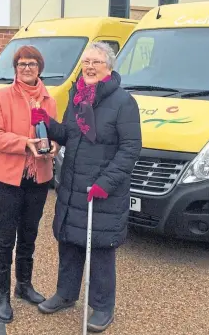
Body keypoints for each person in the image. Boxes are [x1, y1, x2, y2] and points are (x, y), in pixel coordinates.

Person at [31, 42, 142, 332]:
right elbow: (69, 134)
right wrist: (47, 124)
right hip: (73, 185)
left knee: (100, 250)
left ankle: (102, 306)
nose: (89, 67)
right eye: (86, 62)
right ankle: (66, 294)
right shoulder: (78, 97)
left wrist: (106, 183)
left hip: (102, 190)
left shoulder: (123, 102)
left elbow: (130, 148)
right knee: (69, 242)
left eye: (96, 62)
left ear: (109, 67)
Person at [0, 45, 58, 324]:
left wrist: (55, 146)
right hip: (6, 180)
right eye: (22, 64)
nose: (27, 68)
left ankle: (23, 286)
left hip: (37, 179)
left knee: (29, 236)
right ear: (15, 68)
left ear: (40, 68)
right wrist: (25, 144)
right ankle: (1, 294)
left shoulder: (48, 100)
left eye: (32, 63)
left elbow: (54, 133)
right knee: (5, 239)